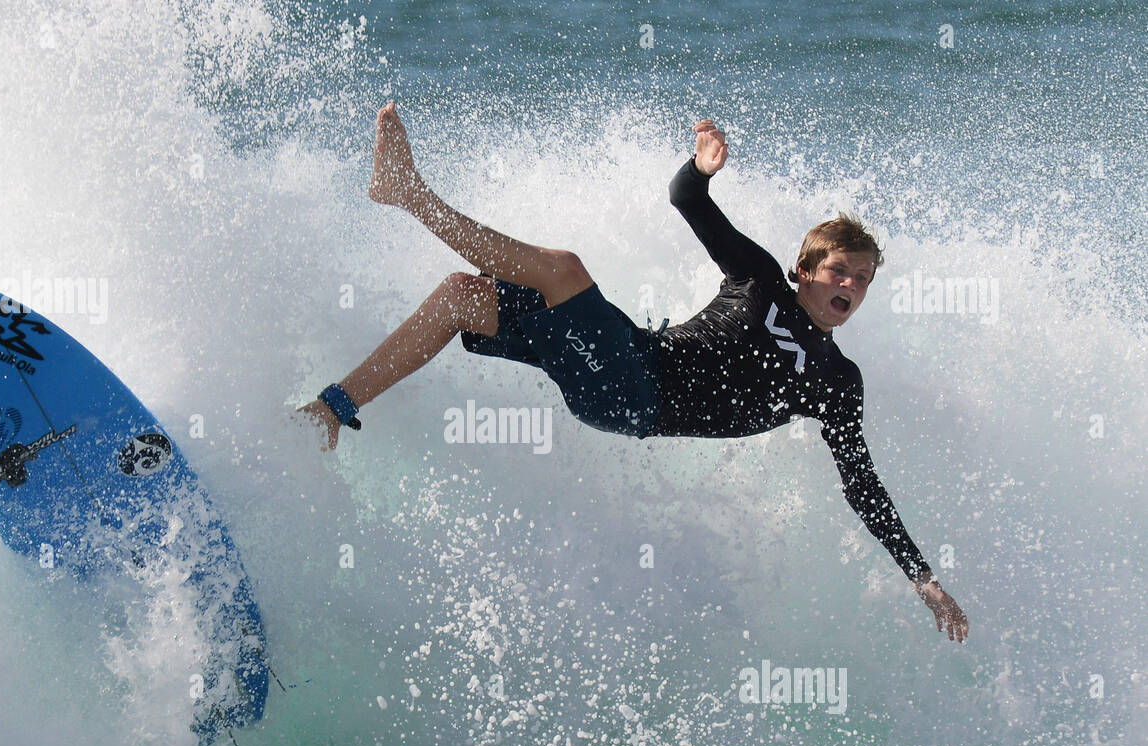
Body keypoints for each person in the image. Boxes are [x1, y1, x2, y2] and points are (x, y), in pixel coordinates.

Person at [300, 101, 969, 643]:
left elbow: (861, 482)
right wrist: (702, 167)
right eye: (837, 269)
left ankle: (408, 194)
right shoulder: (760, 279)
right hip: (629, 353)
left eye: (861, 277)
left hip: (637, 401)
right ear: (804, 269)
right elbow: (686, 197)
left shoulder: (836, 381)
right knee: (461, 297)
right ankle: (329, 409)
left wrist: (922, 575)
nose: (849, 282)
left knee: (563, 269)